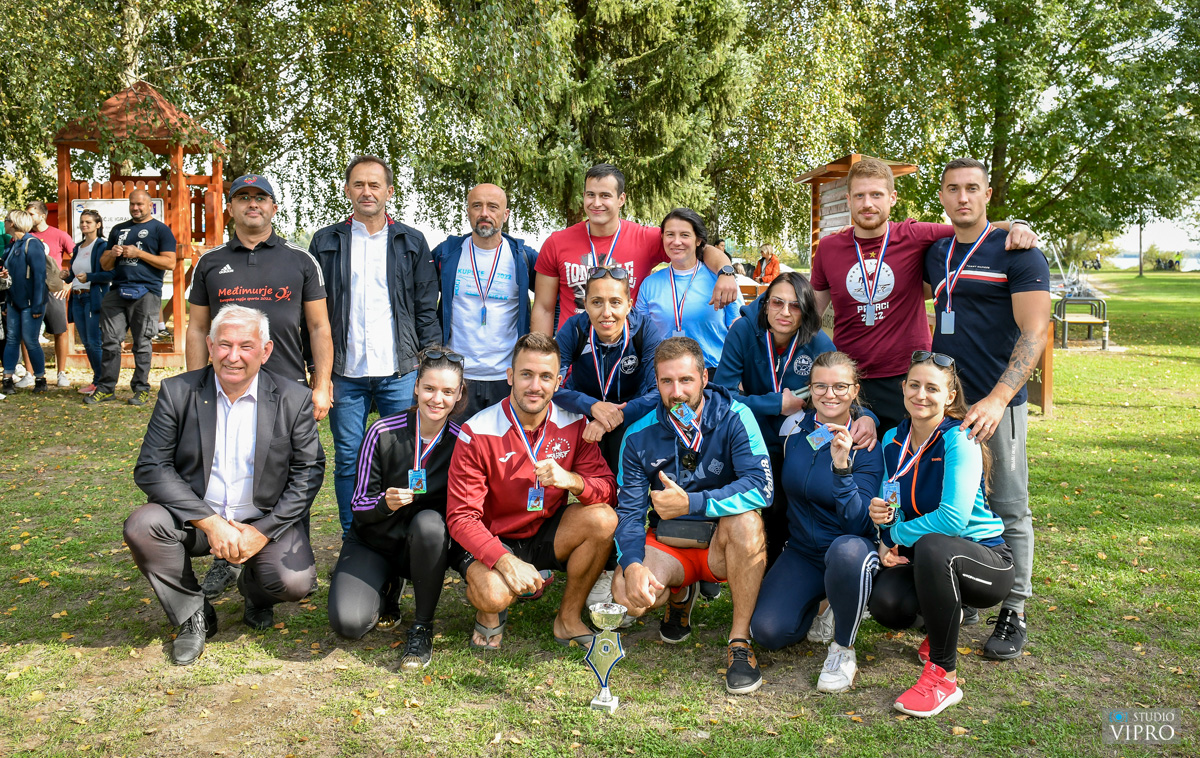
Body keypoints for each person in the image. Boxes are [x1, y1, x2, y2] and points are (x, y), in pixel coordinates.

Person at [125, 306, 324, 665]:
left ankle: (254, 591)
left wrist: (262, 532)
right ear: (209, 346)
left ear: (265, 351)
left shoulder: (293, 399)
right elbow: (152, 467)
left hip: (260, 521)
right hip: (196, 520)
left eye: (246, 346)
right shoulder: (178, 391)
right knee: (143, 525)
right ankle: (192, 614)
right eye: (224, 345)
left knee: (294, 582)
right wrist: (211, 523)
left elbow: (309, 472)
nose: (233, 356)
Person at [186, 174, 334, 600]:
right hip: (226, 391)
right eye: (243, 197)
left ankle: (264, 581)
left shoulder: (301, 261)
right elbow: (197, 329)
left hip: (287, 394)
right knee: (230, 474)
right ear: (230, 208)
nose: (252, 204)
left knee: (291, 481)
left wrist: (321, 384)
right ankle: (226, 557)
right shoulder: (210, 262)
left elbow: (319, 327)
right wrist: (196, 386)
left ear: (273, 207)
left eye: (261, 197)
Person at [926, 157, 1051, 660]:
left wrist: (999, 399)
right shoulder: (937, 252)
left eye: (972, 188)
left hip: (997, 403)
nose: (963, 197)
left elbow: (1035, 331)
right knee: (957, 498)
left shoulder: (1019, 252)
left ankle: (1014, 609)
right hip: (946, 405)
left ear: (987, 193)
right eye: (953, 189)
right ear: (941, 196)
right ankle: (970, 590)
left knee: (1008, 506)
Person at [809, 157, 1037, 431]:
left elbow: (972, 227)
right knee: (849, 452)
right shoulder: (829, 248)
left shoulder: (915, 235)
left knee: (906, 453)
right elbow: (811, 317)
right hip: (849, 380)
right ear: (849, 200)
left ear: (892, 198)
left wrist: (1017, 224)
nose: (867, 203)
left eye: (876, 195)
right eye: (859, 195)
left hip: (908, 379)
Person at [612, 336, 771, 695]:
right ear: (656, 382)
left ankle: (739, 641)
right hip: (671, 545)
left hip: (721, 546)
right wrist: (633, 564)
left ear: (704, 377)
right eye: (666, 381)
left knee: (748, 521)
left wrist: (693, 504)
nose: (677, 392)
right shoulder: (637, 434)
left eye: (686, 380)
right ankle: (680, 594)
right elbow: (629, 512)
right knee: (626, 594)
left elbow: (761, 488)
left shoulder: (736, 416)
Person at [445, 333, 617, 650]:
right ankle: (489, 609)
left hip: (543, 530)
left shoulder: (574, 423)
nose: (535, 386)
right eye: (526, 374)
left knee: (604, 519)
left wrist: (573, 481)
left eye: (545, 376)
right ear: (510, 376)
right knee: (494, 594)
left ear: (558, 381)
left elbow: (608, 490)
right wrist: (504, 561)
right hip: (491, 536)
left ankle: (568, 619)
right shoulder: (477, 431)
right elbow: (461, 518)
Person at [865, 351, 1013, 717]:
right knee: (887, 603)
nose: (921, 395)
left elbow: (952, 520)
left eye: (932, 388)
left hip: (985, 561)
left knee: (934, 545)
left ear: (950, 396)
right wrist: (883, 522)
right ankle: (945, 618)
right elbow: (892, 503)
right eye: (914, 385)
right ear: (903, 388)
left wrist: (895, 535)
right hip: (930, 558)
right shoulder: (892, 439)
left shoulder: (959, 439)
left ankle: (943, 678)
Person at [309, 155, 441, 537]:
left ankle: (406, 538)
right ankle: (354, 538)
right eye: (359, 184)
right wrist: (318, 373)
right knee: (349, 461)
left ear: (389, 191)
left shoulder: (411, 242)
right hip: (345, 374)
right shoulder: (326, 242)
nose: (366, 191)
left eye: (374, 185)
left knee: (408, 458)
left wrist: (430, 368)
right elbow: (312, 314)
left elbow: (425, 310)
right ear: (347, 190)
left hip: (400, 372)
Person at [749, 351, 884, 692]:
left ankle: (843, 649)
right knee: (767, 631)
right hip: (803, 552)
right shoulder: (796, 430)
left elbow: (858, 525)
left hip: (848, 550)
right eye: (820, 386)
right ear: (810, 389)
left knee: (846, 551)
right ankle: (825, 604)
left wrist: (842, 469)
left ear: (855, 390)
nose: (830, 394)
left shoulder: (866, 443)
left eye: (840, 386)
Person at [328, 348, 466, 670]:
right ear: (416, 386)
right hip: (373, 541)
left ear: (459, 395)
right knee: (349, 623)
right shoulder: (382, 432)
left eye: (447, 391)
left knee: (430, 523)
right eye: (429, 388)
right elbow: (358, 502)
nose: (437, 399)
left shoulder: (462, 442)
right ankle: (387, 585)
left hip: (422, 546)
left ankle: (422, 626)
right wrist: (384, 503)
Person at [713, 272, 851, 564]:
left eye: (795, 306)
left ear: (807, 310)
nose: (785, 312)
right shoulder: (743, 331)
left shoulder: (818, 342)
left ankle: (801, 556)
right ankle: (757, 563)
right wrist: (776, 403)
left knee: (793, 497)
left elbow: (841, 392)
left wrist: (867, 419)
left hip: (805, 438)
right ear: (765, 305)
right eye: (777, 303)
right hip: (755, 432)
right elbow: (722, 397)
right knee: (766, 502)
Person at [531, 164, 738, 335]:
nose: (596, 203)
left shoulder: (646, 238)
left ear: (621, 199)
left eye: (605, 195)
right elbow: (543, 308)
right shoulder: (556, 243)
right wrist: (542, 358)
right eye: (590, 195)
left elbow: (700, 249)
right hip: (574, 355)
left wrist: (726, 272)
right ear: (583, 196)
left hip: (628, 358)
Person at [432, 183, 539, 419]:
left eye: (493, 207)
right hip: (456, 375)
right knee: (456, 441)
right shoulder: (447, 254)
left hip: (507, 376)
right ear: (468, 211)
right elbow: (423, 303)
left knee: (503, 442)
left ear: (506, 214)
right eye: (477, 206)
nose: (484, 213)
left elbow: (551, 302)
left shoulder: (523, 257)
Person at [556, 266, 662, 471]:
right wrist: (590, 406)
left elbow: (658, 391)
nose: (606, 313)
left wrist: (618, 415)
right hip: (584, 413)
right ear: (585, 305)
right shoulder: (574, 329)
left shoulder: (645, 329)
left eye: (615, 302)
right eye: (597, 302)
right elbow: (549, 385)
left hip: (630, 412)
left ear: (629, 305)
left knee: (622, 466)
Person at [87, 189, 178, 406]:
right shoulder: (119, 229)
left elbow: (170, 263)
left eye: (140, 204)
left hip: (146, 292)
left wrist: (139, 254)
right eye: (132, 204)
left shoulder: (161, 230)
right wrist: (112, 254)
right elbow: (105, 265)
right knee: (110, 342)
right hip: (117, 291)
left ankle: (141, 389)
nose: (135, 208)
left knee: (142, 342)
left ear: (149, 206)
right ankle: (106, 388)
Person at [633, 208, 741, 372]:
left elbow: (738, 331)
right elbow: (642, 336)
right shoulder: (649, 284)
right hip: (666, 374)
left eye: (684, 235)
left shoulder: (721, 280)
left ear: (698, 240)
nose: (676, 242)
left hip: (714, 372)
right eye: (670, 234)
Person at [26, 201, 75, 388]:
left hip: (54, 291)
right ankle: (29, 373)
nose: (28, 217)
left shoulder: (59, 235)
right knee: (27, 332)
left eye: (31, 214)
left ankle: (61, 373)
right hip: (31, 290)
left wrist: (69, 284)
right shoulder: (25, 236)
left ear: (42, 215)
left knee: (60, 331)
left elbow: (77, 258)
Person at [1, 211, 49, 394]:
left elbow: (39, 275)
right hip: (14, 302)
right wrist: (7, 301)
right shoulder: (12, 245)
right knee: (12, 339)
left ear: (13, 223)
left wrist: (37, 305)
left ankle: (40, 378)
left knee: (30, 340)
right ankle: (7, 378)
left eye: (6, 220)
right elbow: (11, 277)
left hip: (31, 302)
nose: (4, 223)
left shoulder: (32, 243)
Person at [66, 210, 113, 394]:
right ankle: (97, 381)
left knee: (95, 342)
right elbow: (74, 274)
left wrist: (90, 277)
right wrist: (66, 276)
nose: (84, 225)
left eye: (88, 222)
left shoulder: (102, 246)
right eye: (82, 222)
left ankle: (102, 383)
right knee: (86, 342)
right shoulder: (78, 247)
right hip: (77, 297)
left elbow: (110, 274)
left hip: (92, 297)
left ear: (98, 225)